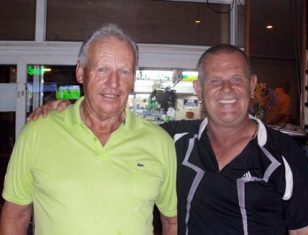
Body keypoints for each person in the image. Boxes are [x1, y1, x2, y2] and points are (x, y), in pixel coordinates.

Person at [26, 44, 308, 235]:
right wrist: (67, 110)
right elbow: (116, 123)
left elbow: (302, 231)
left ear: (253, 85)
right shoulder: (174, 140)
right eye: (215, 81)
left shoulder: (283, 154)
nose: (227, 90)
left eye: (237, 79)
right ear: (199, 90)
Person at [0, 24, 177, 235]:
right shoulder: (38, 132)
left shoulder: (159, 142)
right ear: (81, 72)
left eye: (124, 71)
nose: (114, 83)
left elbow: (171, 222)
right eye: (102, 69)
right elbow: (16, 216)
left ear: (133, 79)